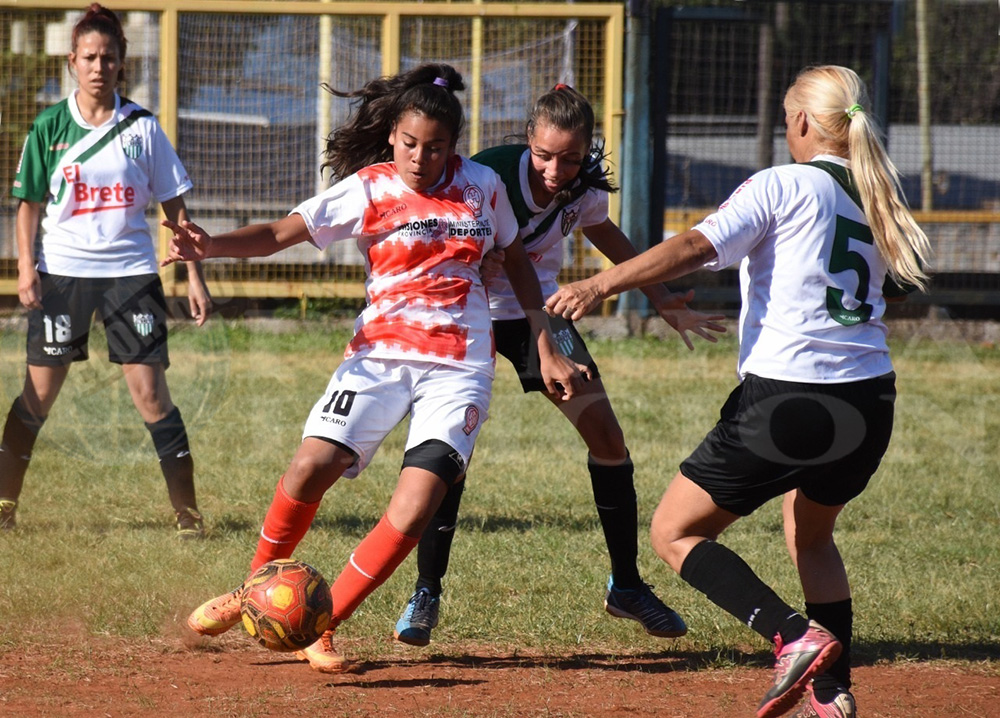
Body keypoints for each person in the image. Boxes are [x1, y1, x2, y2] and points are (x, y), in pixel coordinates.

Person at [171, 63, 586, 673]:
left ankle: (322, 622)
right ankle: (252, 592)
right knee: (310, 466)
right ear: (393, 134)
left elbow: (515, 259)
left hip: (459, 367)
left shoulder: (481, 186)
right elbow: (282, 232)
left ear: (454, 146)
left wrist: (546, 345)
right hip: (379, 357)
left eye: (436, 147)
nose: (421, 157)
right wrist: (213, 245)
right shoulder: (367, 188)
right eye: (410, 143)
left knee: (416, 506)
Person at [546, 65, 930, 718]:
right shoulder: (877, 191)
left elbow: (697, 245)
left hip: (791, 399)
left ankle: (793, 635)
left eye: (787, 119)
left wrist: (598, 284)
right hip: (871, 404)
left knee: (674, 532)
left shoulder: (783, 183)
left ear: (803, 121)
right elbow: (897, 290)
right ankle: (833, 693)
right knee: (811, 535)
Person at [393, 84, 726, 647]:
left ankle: (626, 586)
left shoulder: (583, 184)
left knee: (608, 438)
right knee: (449, 451)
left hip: (539, 313)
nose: (555, 170)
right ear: (528, 140)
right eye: (544, 155)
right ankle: (426, 590)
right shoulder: (490, 174)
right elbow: (458, 234)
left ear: (586, 150)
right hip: (468, 312)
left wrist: (665, 300)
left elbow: (604, 232)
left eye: (570, 158)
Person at [3, 3, 213, 538]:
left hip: (130, 274)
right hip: (63, 274)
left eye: (110, 58)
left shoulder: (142, 127)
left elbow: (174, 205)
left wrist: (194, 276)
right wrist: (26, 268)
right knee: (38, 396)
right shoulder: (49, 126)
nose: (100, 67)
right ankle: (3, 504)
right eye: (90, 57)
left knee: (151, 396)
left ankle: (187, 514)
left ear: (122, 62)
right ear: (72, 61)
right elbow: (28, 206)